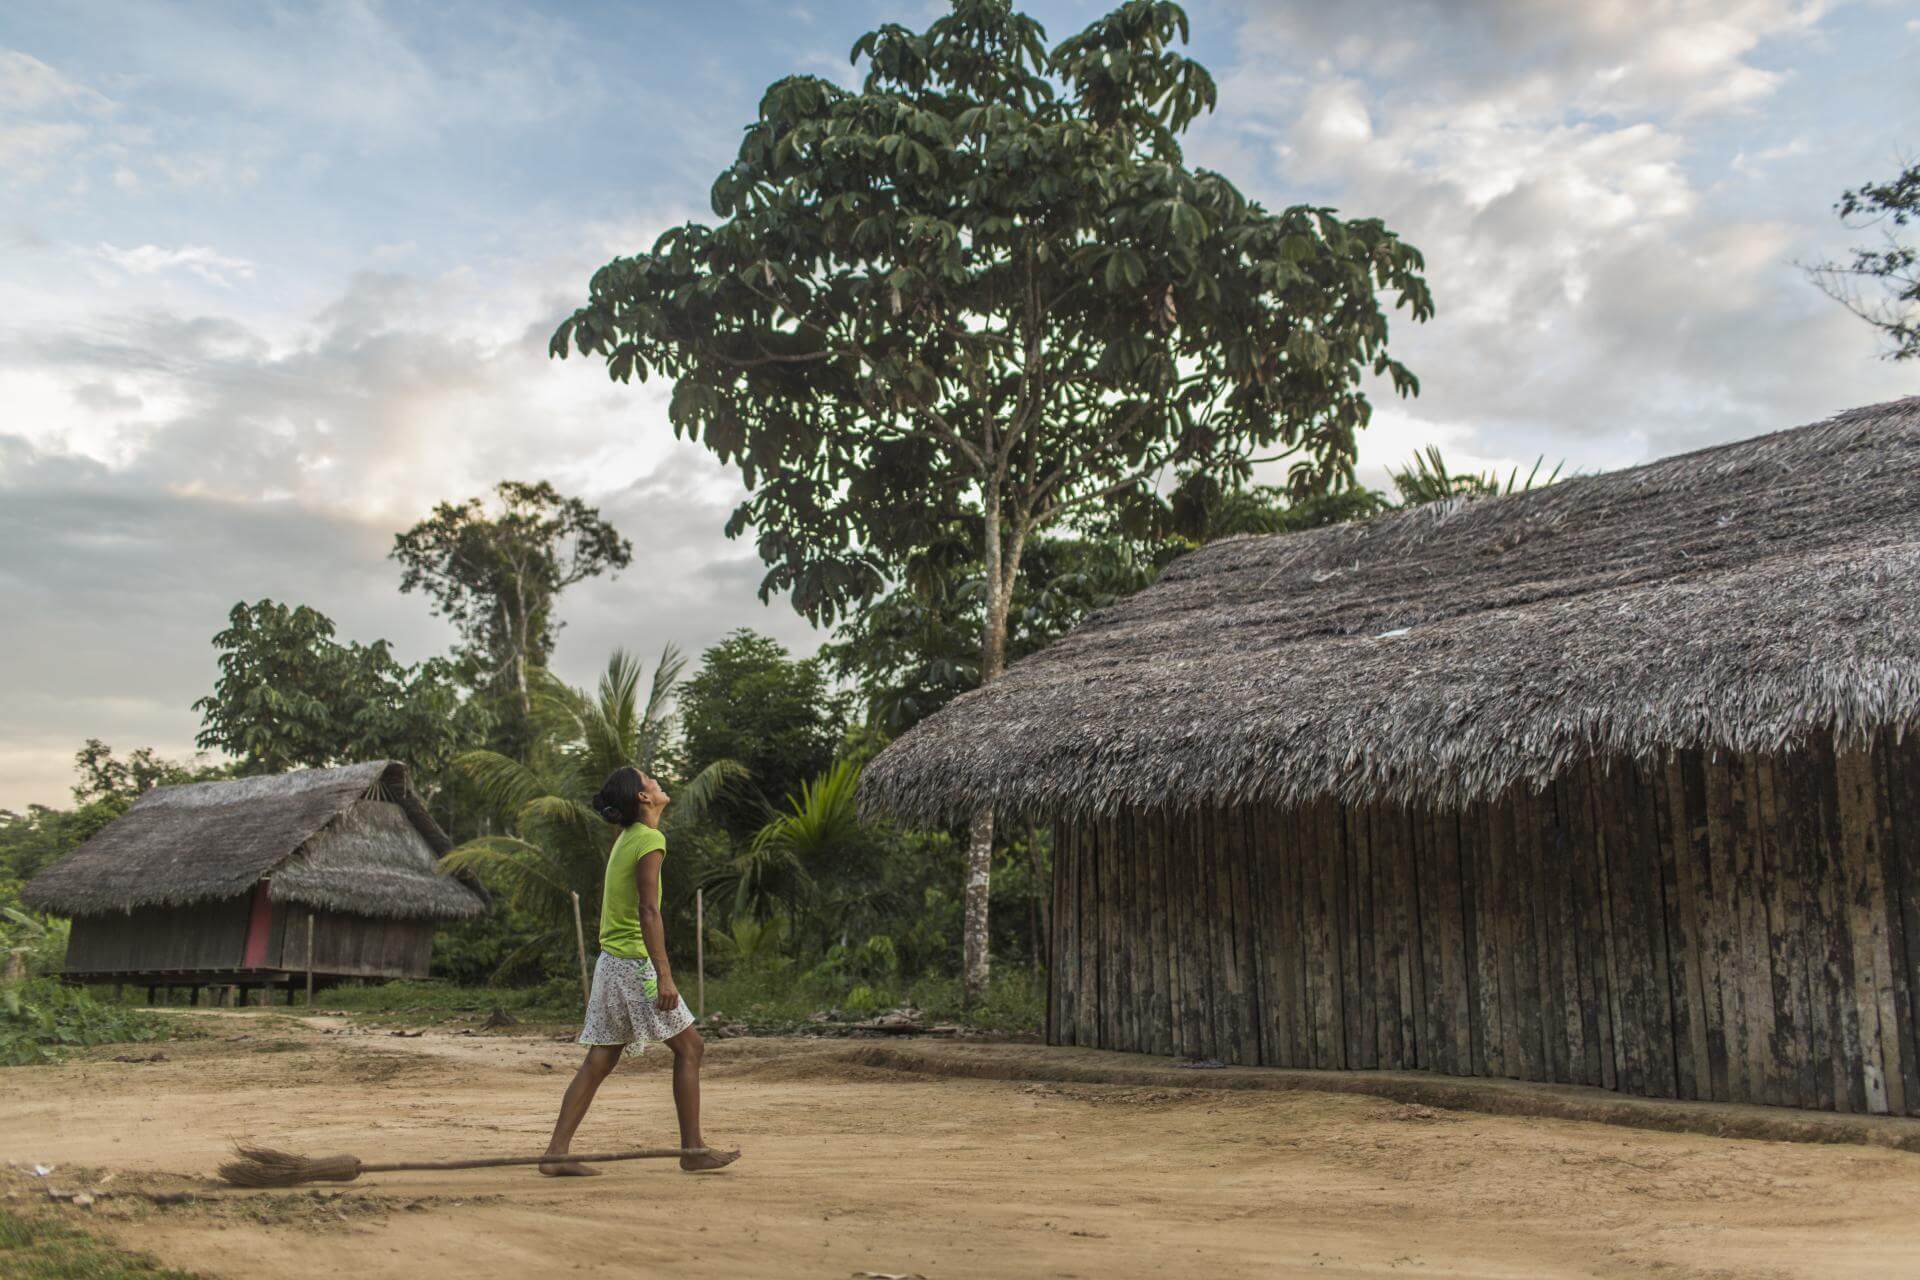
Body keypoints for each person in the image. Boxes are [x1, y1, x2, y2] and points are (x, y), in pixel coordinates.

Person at [541, 765, 740, 1175]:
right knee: (690, 1048)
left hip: (611, 963)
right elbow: (648, 911)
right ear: (643, 798)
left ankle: (555, 1154)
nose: (655, 781)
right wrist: (664, 974)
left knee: (599, 1061)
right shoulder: (649, 839)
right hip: (633, 966)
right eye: (649, 779)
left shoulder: (627, 838)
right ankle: (692, 1151)